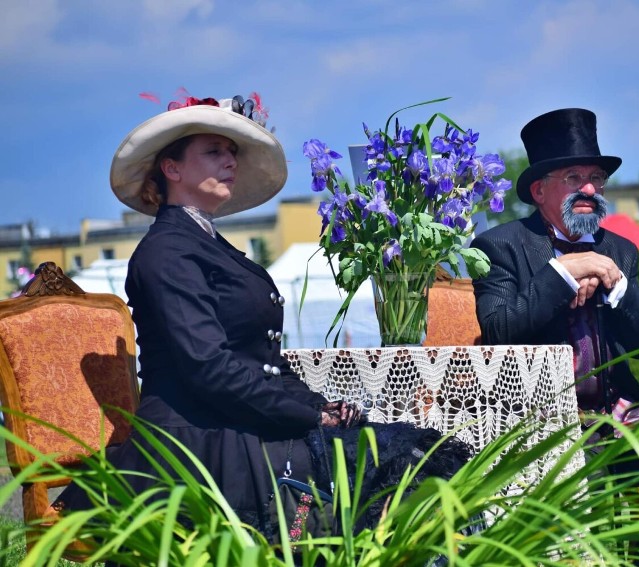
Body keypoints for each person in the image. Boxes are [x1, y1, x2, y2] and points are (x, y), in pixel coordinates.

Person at [54, 93, 471, 543]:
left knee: (411, 455)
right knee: (397, 461)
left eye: (231, 152)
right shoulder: (165, 252)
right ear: (171, 169)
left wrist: (318, 406)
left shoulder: (207, 244)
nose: (229, 161)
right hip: (198, 440)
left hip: (234, 421)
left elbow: (263, 360)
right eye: (213, 151)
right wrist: (306, 418)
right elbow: (209, 369)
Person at [470, 108, 639, 566]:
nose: (589, 189)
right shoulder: (499, 246)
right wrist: (563, 273)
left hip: (615, 409)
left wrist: (616, 285)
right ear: (540, 190)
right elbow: (498, 329)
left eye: (596, 178)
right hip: (539, 412)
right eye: (574, 177)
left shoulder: (618, 249)